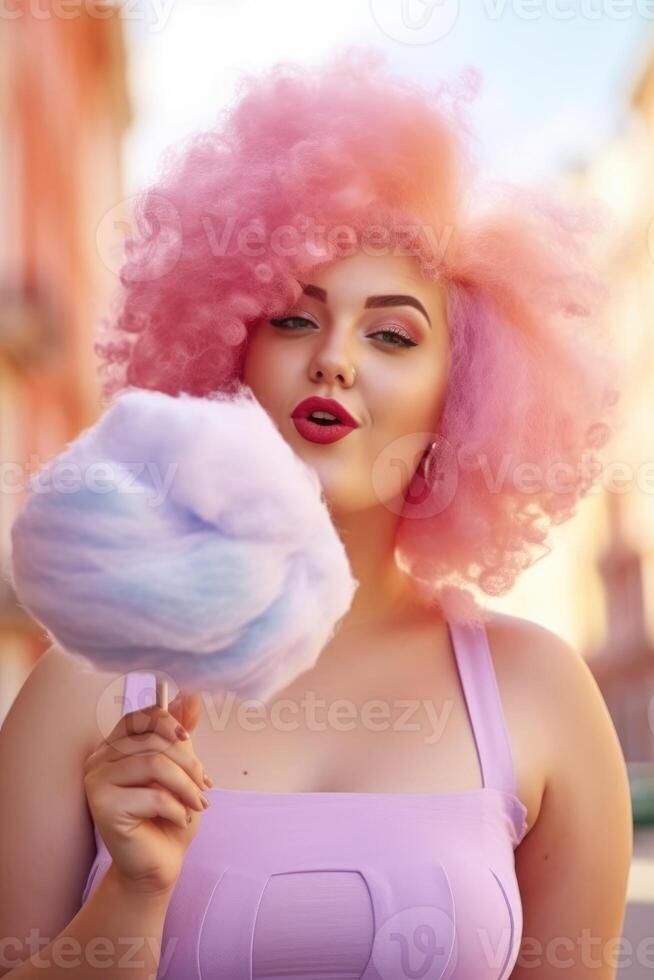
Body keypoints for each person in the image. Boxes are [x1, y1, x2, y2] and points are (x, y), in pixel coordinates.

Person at [0, 46, 632, 979]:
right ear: (227, 351)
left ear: (468, 391)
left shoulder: (541, 691)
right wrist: (128, 901)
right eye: (294, 317)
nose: (334, 358)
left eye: (391, 333)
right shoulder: (81, 690)